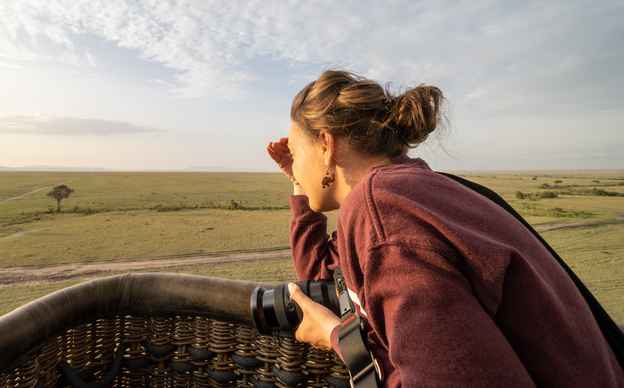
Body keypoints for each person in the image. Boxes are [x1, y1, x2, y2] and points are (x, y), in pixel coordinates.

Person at [266, 69, 624, 387]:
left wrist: (337, 337)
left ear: (326, 145)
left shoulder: (381, 211)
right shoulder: (409, 192)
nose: (293, 166)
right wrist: (300, 186)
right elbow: (325, 281)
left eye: (296, 153)